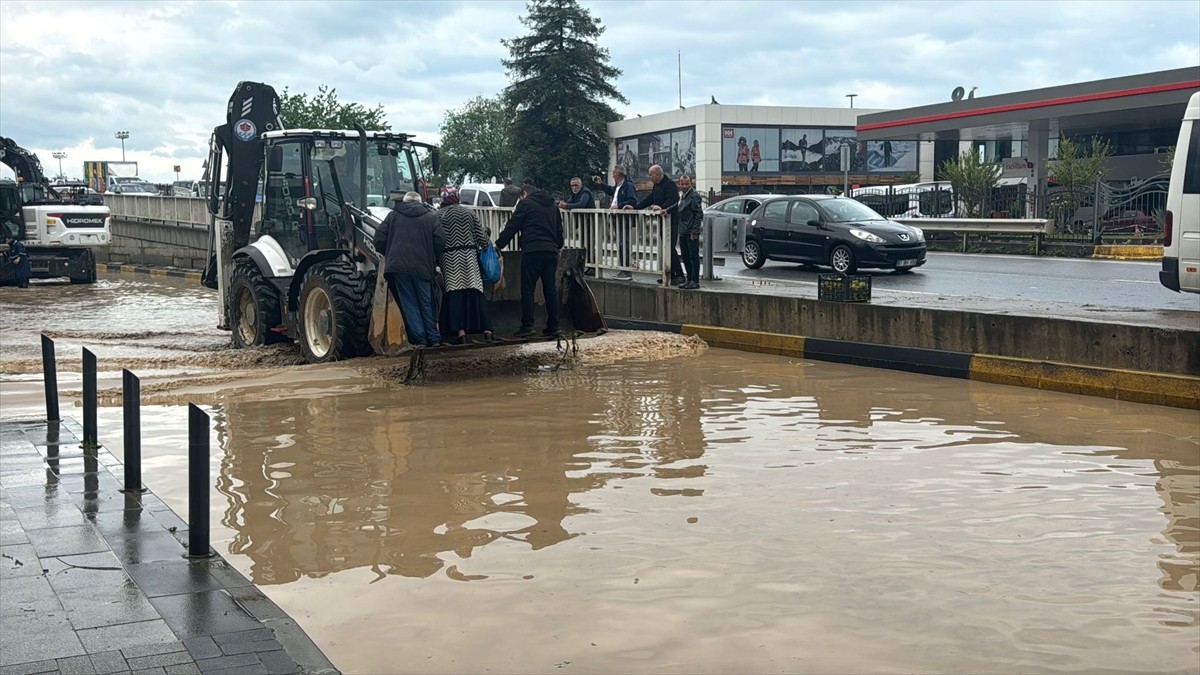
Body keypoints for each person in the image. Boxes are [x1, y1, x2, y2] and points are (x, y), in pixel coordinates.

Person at [373, 191, 446, 348]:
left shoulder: (392, 216)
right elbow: (441, 241)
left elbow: (378, 239)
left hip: (399, 267)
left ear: (404, 202)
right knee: (426, 302)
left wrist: (390, 253)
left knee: (409, 303)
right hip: (423, 267)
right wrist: (431, 255)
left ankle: (421, 339)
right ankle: (434, 338)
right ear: (420, 202)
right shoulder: (430, 217)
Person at [495, 182, 564, 337]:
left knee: (528, 290)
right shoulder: (553, 206)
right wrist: (558, 246)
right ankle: (554, 326)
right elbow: (559, 230)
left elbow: (512, 226)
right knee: (550, 289)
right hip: (551, 252)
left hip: (532, 251)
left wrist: (499, 244)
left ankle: (528, 326)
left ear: (524, 194)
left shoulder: (525, 204)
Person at [436, 191, 494, 344]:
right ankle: (487, 331)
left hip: (449, 259)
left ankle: (461, 334)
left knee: (455, 293)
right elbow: (483, 239)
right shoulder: (468, 213)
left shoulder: (438, 215)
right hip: (469, 256)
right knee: (476, 291)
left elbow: (436, 240)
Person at [634, 165, 682, 286]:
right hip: (662, 220)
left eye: (651, 174)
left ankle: (679, 275)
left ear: (657, 174)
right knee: (665, 248)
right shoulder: (657, 185)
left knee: (670, 248)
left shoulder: (669, 184)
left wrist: (661, 207)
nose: (649, 177)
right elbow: (650, 199)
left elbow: (673, 200)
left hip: (671, 221)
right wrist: (635, 207)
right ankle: (669, 274)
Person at [593, 166, 639, 279]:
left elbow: (633, 200)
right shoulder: (619, 186)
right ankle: (623, 269)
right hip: (617, 218)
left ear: (619, 174)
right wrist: (601, 184)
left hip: (624, 218)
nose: (612, 176)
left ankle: (626, 270)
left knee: (624, 243)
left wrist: (619, 206)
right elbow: (610, 190)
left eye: (613, 173)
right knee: (620, 244)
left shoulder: (628, 186)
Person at [558, 177, 597, 275]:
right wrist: (562, 204)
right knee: (584, 244)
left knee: (589, 244)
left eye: (576, 185)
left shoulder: (585, 192)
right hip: (583, 222)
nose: (574, 187)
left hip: (590, 222)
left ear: (581, 185)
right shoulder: (574, 194)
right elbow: (570, 202)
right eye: (572, 186)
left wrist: (566, 206)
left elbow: (581, 204)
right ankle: (587, 265)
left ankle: (593, 266)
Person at [671, 175, 703, 289]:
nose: (684, 186)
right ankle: (689, 279)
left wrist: (695, 231)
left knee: (693, 257)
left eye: (686, 184)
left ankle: (695, 280)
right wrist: (666, 210)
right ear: (679, 184)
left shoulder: (694, 196)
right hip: (683, 230)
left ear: (691, 184)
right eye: (682, 184)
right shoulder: (683, 196)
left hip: (690, 232)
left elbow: (698, 214)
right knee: (685, 257)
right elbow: (676, 206)